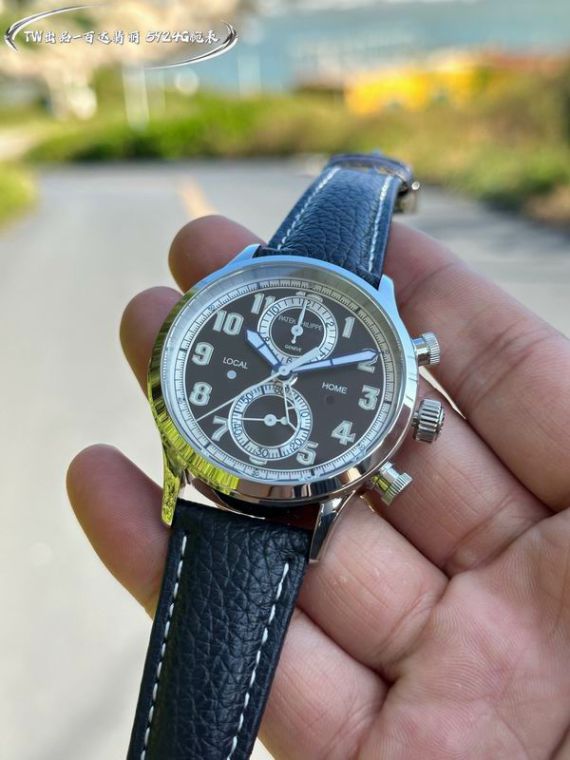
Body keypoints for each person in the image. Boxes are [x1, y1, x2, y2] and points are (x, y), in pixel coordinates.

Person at [67, 214, 570, 759]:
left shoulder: (377, 376)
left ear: (411, 397)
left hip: (296, 500)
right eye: (279, 364)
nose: (285, 375)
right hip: (206, 464)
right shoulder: (244, 296)